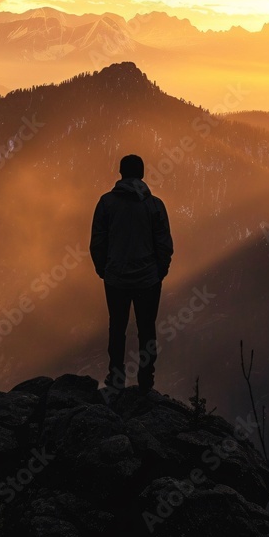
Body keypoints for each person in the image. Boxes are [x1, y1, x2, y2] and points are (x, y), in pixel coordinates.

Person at [90, 154, 173, 394]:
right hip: (148, 280)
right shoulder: (154, 205)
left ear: (120, 173)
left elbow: (98, 241)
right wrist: (160, 271)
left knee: (117, 327)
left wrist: (103, 269)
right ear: (143, 174)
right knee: (147, 329)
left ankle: (116, 378)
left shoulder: (106, 203)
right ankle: (146, 381)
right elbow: (164, 244)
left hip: (115, 278)